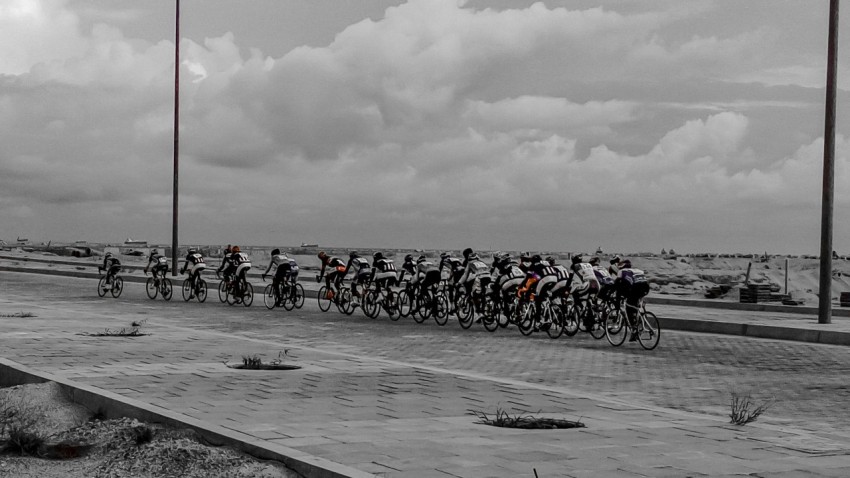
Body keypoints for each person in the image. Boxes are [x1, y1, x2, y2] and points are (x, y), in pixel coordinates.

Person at [615, 259, 650, 341]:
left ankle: (634, 330)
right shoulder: (638, 270)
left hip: (636, 288)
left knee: (628, 307)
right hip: (645, 288)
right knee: (636, 304)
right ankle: (641, 318)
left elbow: (617, 285)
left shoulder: (621, 271)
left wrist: (617, 301)